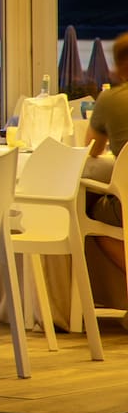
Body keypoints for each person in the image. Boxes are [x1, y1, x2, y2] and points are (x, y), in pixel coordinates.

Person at [81, 32, 128, 270]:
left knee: (91, 213)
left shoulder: (110, 99)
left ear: (119, 66)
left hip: (125, 206)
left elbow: (92, 149)